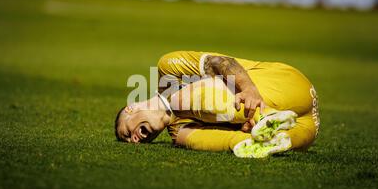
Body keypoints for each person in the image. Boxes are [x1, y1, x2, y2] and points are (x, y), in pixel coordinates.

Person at [115, 51, 320, 158]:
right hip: (305, 127)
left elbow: (219, 62)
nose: (134, 141)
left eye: (126, 133)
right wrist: (243, 136)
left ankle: (264, 117)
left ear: (130, 108)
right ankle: (263, 139)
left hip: (287, 84)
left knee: (177, 99)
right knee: (187, 138)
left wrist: (248, 89)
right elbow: (223, 139)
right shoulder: (178, 132)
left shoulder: (168, 69)